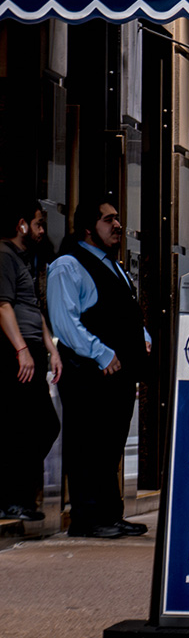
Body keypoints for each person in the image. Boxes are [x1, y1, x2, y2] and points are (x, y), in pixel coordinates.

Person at [47, 197, 151, 539]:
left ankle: (110, 514)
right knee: (87, 446)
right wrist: (101, 353)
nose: (117, 225)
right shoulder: (67, 265)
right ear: (89, 228)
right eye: (109, 219)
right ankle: (87, 519)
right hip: (89, 372)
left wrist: (143, 336)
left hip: (119, 372)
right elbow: (66, 322)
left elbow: (126, 309)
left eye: (118, 218)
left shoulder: (113, 263)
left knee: (110, 447)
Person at [0, 195, 62, 523]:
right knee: (30, 426)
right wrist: (21, 349)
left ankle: (18, 497)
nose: (41, 230)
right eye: (38, 223)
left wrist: (51, 350)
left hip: (32, 352)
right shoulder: (4, 255)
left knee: (37, 426)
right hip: (17, 354)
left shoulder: (25, 259)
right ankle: (12, 498)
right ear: (21, 224)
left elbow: (32, 309)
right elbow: (3, 305)